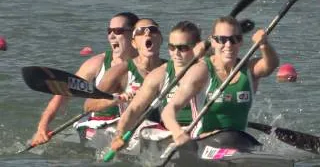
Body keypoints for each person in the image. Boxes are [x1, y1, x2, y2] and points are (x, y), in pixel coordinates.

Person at [161, 16, 279, 147]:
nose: (228, 45)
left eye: (234, 39)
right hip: (203, 143)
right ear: (213, 41)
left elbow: (271, 65)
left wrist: (264, 45)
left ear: (241, 42)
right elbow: (168, 111)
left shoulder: (248, 70)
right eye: (222, 39)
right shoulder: (201, 71)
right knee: (229, 139)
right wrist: (178, 134)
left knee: (238, 140)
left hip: (238, 141)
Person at [30, 12, 139, 146]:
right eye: (109, 31)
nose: (111, 36)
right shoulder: (97, 63)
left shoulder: (150, 65)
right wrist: (42, 126)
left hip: (134, 126)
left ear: (135, 35)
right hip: (99, 127)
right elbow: (62, 94)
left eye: (118, 31)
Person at [110, 21, 210, 151]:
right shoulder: (159, 75)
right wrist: (119, 135)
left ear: (197, 47)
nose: (176, 53)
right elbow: (134, 110)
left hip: (205, 131)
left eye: (183, 48)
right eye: (172, 47)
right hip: (174, 134)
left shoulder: (209, 67)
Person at [84, 18, 166, 121]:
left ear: (161, 39)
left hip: (162, 127)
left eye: (153, 30)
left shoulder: (171, 68)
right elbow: (89, 105)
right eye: (140, 31)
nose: (147, 34)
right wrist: (118, 99)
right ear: (134, 43)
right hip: (129, 128)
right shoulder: (120, 71)